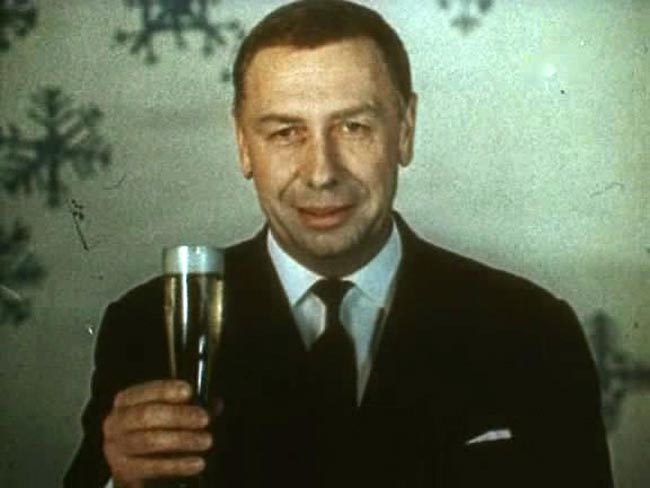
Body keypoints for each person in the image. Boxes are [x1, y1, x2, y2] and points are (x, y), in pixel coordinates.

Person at [65, 1, 613, 487]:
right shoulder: (145, 329)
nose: (321, 172)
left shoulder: (532, 331)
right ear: (243, 145)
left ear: (405, 130)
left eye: (353, 127)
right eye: (286, 132)